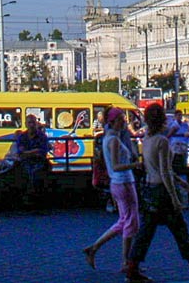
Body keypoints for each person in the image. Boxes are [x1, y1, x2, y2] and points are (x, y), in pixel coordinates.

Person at [125, 103, 189, 282]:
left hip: (150, 190)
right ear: (161, 120)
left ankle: (132, 267)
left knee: (145, 232)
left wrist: (180, 181)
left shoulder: (147, 140)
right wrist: (175, 197)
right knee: (180, 230)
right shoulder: (162, 141)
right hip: (163, 192)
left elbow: (153, 168)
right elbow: (166, 171)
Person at [82, 108, 141, 272]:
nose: (124, 122)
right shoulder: (113, 140)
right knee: (130, 222)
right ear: (113, 121)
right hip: (123, 182)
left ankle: (94, 248)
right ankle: (126, 262)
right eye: (122, 119)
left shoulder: (110, 138)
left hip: (119, 183)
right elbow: (116, 166)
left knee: (124, 221)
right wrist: (135, 165)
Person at [13, 114, 51, 208]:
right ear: (26, 124)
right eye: (29, 122)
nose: (31, 125)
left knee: (36, 174)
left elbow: (43, 152)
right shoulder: (22, 137)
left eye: (33, 122)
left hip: (39, 162)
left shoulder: (42, 136)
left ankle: (32, 200)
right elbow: (20, 152)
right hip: (25, 162)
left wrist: (28, 152)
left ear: (36, 124)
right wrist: (35, 151)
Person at [166, 108, 189, 201]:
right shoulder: (172, 125)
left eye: (181, 115)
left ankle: (183, 198)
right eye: (178, 115)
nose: (180, 117)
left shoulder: (184, 126)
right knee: (177, 172)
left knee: (181, 171)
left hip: (182, 150)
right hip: (174, 150)